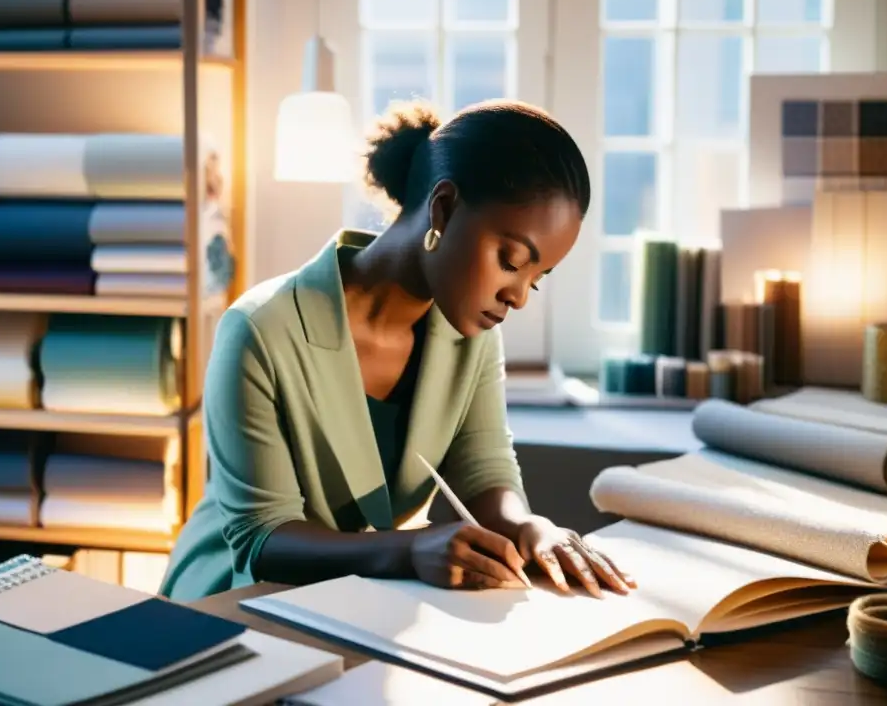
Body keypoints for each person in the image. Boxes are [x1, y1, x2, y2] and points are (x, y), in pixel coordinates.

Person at [160, 98, 638, 602]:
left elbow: (484, 472)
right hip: (231, 603)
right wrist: (407, 550)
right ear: (444, 208)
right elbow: (262, 539)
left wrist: (530, 527)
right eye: (511, 261)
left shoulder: (469, 336)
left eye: (536, 281)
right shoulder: (259, 329)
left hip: (361, 601)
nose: (517, 296)